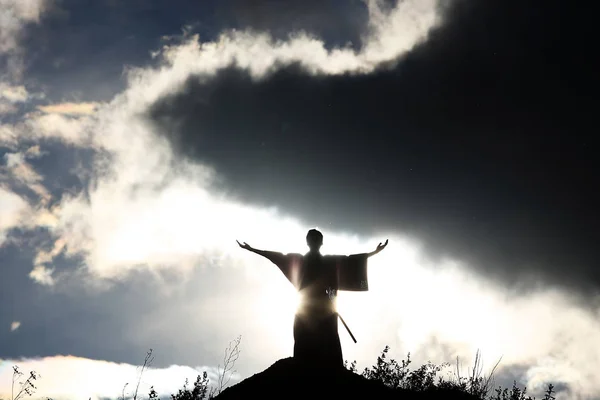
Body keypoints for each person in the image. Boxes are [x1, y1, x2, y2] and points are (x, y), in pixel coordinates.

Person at [237, 229, 388, 369]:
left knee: (328, 343)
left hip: (325, 309)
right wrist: (252, 249)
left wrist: (374, 252)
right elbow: (277, 257)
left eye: (317, 239)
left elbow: (351, 261)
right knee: (304, 341)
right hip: (305, 308)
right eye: (312, 239)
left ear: (320, 243)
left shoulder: (329, 262)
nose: (315, 242)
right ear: (308, 242)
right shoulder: (300, 261)